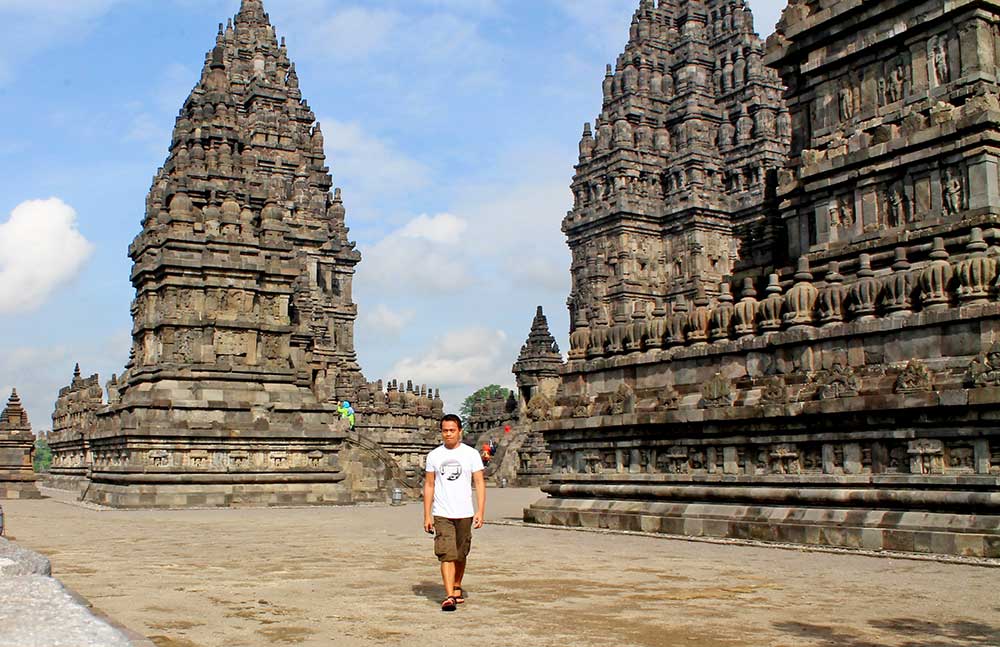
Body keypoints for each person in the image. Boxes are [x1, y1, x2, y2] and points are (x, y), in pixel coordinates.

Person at [423, 414, 485, 612]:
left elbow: (479, 483)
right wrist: (427, 514)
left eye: (452, 430)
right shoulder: (434, 455)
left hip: (465, 511)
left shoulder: (471, 454)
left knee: (460, 553)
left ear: (460, 431)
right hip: (442, 512)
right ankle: (449, 595)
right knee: (446, 554)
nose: (448, 434)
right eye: (445, 430)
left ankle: (457, 585)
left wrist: (480, 510)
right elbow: (429, 485)